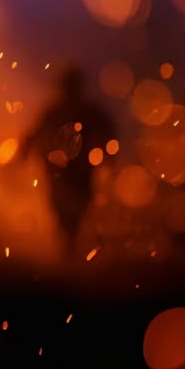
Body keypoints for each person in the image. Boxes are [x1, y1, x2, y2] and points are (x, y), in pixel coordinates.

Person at [19, 67, 115, 251]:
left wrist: (109, 154)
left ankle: (71, 249)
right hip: (59, 173)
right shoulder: (56, 112)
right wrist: (24, 152)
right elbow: (35, 134)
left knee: (76, 210)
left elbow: (106, 131)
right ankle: (68, 249)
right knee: (62, 211)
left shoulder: (87, 113)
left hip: (78, 172)